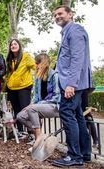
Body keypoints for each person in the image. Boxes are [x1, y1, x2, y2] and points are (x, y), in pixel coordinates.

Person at [52, 5, 93, 167]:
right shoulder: (67, 32)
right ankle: (85, 153)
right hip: (72, 83)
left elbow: (77, 59)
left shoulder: (75, 30)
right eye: (55, 15)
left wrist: (71, 84)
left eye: (60, 13)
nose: (57, 17)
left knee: (67, 113)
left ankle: (74, 156)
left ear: (70, 14)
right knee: (77, 117)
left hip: (72, 84)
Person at [16, 53, 60, 145]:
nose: (35, 66)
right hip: (39, 106)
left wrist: (37, 105)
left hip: (54, 106)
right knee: (20, 116)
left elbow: (56, 97)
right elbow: (36, 96)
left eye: (37, 63)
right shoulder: (38, 77)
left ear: (43, 63)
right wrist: (30, 105)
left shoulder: (54, 75)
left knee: (32, 109)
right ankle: (39, 134)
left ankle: (38, 139)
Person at [6, 39, 35, 137]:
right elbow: (8, 74)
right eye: (11, 45)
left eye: (15, 44)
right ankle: (20, 131)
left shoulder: (25, 56)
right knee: (16, 110)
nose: (13, 46)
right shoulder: (9, 59)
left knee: (25, 110)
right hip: (12, 88)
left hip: (24, 87)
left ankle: (31, 132)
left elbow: (34, 66)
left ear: (19, 45)